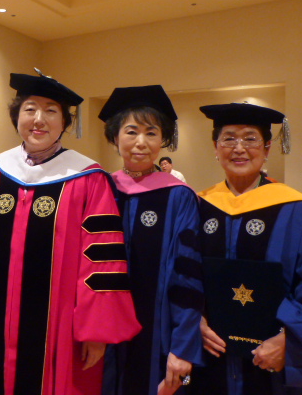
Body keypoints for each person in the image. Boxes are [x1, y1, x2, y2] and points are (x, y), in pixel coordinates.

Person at [0, 72, 141, 395]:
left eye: (51, 111)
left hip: (60, 329)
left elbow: (102, 259)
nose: (39, 119)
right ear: (16, 117)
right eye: (30, 109)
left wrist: (96, 330)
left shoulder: (88, 179)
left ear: (64, 122)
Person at [190, 102, 302, 395]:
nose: (239, 148)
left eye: (250, 139)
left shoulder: (298, 211)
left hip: (274, 364)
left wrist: (290, 342)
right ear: (216, 147)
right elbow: (183, 276)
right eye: (229, 138)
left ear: (267, 148)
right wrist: (193, 320)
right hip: (212, 357)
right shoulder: (198, 207)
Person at [98, 85, 203, 395]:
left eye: (151, 133)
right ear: (115, 137)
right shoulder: (101, 189)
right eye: (131, 132)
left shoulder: (179, 196)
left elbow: (189, 275)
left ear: (163, 140)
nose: (141, 143)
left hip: (161, 334)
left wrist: (183, 346)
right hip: (103, 331)